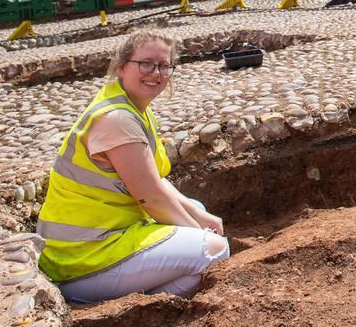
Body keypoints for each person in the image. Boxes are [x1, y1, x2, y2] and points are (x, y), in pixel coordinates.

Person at [36, 31, 229, 303]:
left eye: (164, 66)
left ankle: (138, 299)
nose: (156, 73)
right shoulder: (117, 119)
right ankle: (129, 310)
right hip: (82, 262)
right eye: (146, 63)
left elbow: (155, 180)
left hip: (96, 244)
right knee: (214, 251)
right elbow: (150, 197)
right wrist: (197, 231)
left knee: (198, 210)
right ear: (122, 66)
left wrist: (199, 218)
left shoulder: (132, 107)